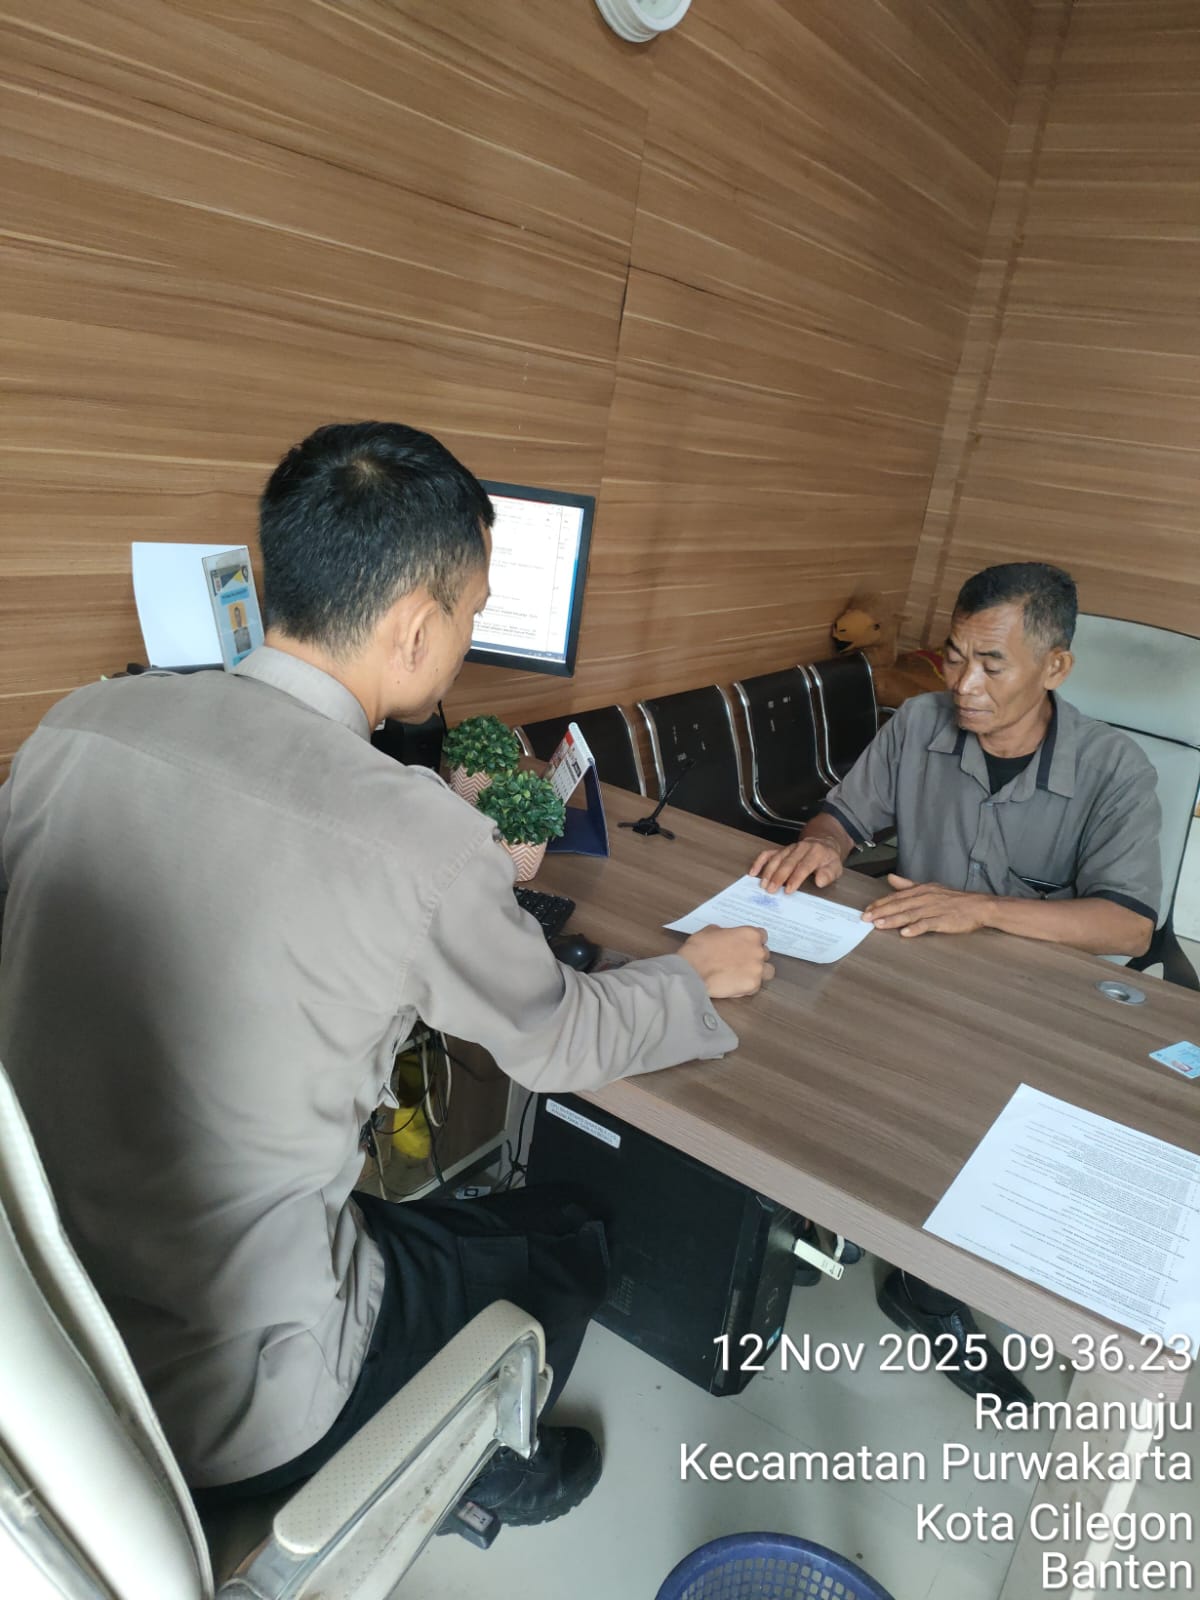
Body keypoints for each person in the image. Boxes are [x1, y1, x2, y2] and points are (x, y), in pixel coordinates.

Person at [0, 421, 773, 1528]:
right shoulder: (417, 840)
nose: (466, 641)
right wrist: (693, 976)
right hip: (233, 1402)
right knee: (565, 1237)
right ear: (415, 625)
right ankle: (479, 1466)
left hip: (40, 1344)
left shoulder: (79, 726)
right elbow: (559, 1042)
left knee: (404, 1213)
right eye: (471, 614)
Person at [751, 562, 1161, 1407]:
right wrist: (823, 842)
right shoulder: (919, 724)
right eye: (954, 657)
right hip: (908, 976)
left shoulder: (1115, 768)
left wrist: (983, 910)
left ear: (1055, 666)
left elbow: (1128, 926)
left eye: (992, 664)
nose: (964, 685)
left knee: (982, 1134)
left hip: (1027, 1010)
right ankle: (810, 1218)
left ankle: (928, 1290)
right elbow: (844, 815)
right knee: (790, 1047)